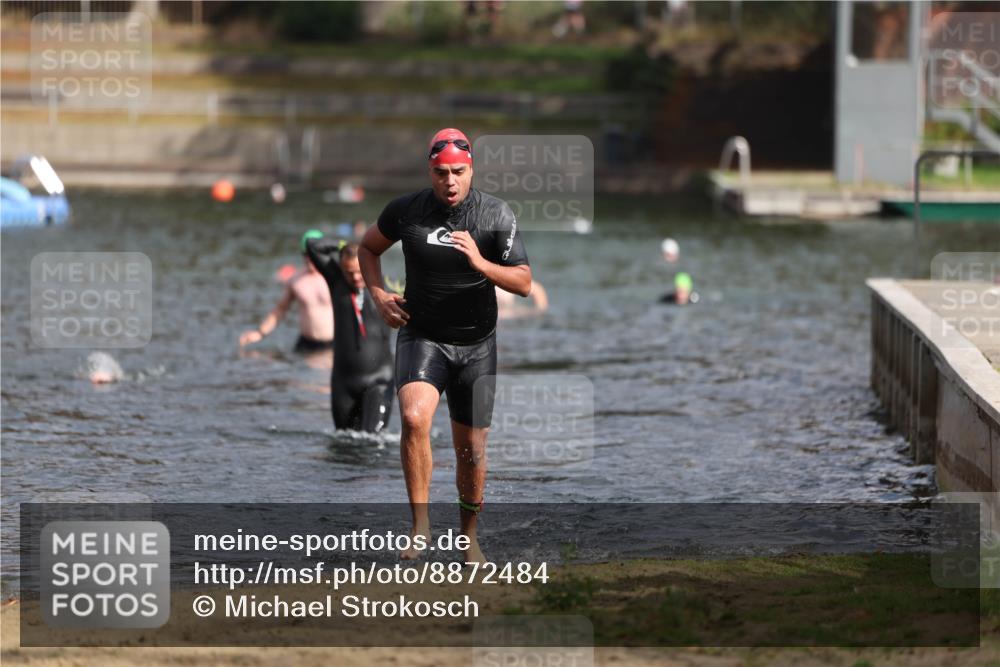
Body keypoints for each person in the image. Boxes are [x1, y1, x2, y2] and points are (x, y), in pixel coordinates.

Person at [358, 128, 531, 563]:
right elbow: (367, 249)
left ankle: (468, 535)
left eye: (457, 172)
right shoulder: (406, 211)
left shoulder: (495, 215)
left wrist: (480, 262)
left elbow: (524, 283)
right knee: (414, 419)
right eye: (440, 173)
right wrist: (377, 295)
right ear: (429, 171)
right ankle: (419, 526)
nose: (449, 181)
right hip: (424, 337)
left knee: (470, 450)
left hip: (477, 345)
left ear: (471, 169)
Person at [305, 237, 395, 433]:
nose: (355, 278)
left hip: (379, 381)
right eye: (349, 273)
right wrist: (344, 245)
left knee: (372, 440)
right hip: (344, 382)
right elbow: (313, 246)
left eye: (359, 272)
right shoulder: (337, 281)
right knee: (344, 444)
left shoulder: (384, 288)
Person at [239, 230, 334, 356]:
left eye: (314, 253)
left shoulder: (335, 276)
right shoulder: (296, 280)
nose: (310, 258)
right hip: (306, 344)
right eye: (306, 254)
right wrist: (260, 333)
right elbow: (280, 310)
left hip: (335, 344)